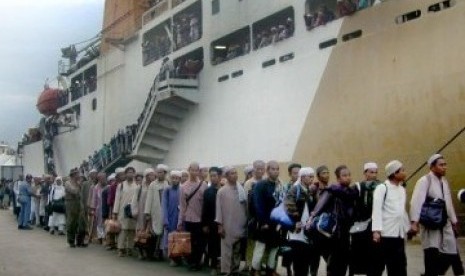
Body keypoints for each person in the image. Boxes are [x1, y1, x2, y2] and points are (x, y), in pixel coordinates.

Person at [410, 154, 463, 276]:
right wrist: (414, 222)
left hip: (445, 223)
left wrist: (454, 221)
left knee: (451, 252)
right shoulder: (424, 181)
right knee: (431, 253)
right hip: (430, 223)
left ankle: (433, 273)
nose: (445, 167)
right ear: (432, 167)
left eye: (445, 164)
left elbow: (448, 203)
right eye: (441, 165)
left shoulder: (444, 182)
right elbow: (416, 202)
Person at [307, 165, 358, 276]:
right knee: (334, 263)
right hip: (334, 232)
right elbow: (319, 206)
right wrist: (312, 218)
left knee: (343, 262)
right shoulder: (331, 191)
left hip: (346, 232)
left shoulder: (351, 191)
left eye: (349, 175)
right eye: (344, 175)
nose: (348, 177)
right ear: (338, 178)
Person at [371, 160, 410, 276]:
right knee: (378, 267)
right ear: (394, 173)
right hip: (385, 234)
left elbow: (402, 212)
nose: (405, 173)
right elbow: (376, 210)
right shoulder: (382, 188)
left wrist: (408, 228)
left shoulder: (402, 189)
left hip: (399, 234)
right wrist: (376, 230)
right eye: (402, 170)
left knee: (399, 267)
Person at [349, 162, 383, 276]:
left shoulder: (381, 186)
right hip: (361, 226)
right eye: (371, 172)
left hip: (376, 225)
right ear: (365, 173)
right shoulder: (358, 186)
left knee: (376, 255)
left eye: (375, 172)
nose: (374, 175)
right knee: (358, 253)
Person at [251, 160, 283, 276]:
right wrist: (263, 222)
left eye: (277, 169)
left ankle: (270, 269)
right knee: (261, 246)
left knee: (274, 247)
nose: (275, 171)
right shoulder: (260, 185)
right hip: (264, 221)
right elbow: (258, 204)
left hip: (276, 222)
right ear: (268, 170)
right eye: (273, 169)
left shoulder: (279, 185)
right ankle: (255, 269)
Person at [285, 167, 317, 276]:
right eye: (310, 176)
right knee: (298, 260)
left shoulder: (309, 190)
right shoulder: (295, 189)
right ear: (303, 177)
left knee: (306, 259)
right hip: (296, 231)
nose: (312, 179)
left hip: (306, 229)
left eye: (313, 176)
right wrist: (295, 221)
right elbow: (288, 205)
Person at [216, 167, 248, 275]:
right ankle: (225, 270)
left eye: (235, 173)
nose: (235, 175)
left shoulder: (241, 189)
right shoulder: (222, 191)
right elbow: (218, 209)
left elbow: (245, 207)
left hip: (240, 223)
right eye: (232, 173)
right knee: (226, 250)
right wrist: (220, 226)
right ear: (226, 176)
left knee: (237, 250)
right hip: (227, 225)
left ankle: (235, 269)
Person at [177, 162, 207, 271]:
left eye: (196, 170)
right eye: (192, 170)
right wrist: (180, 222)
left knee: (200, 243)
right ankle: (191, 262)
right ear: (188, 170)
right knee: (190, 242)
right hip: (189, 219)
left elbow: (205, 204)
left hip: (200, 220)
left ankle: (198, 262)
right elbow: (182, 206)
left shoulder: (204, 185)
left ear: (199, 171)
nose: (194, 172)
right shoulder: (183, 187)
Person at [144, 164, 169, 260]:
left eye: (161, 172)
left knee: (163, 235)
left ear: (165, 173)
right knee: (153, 234)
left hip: (165, 213)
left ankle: (160, 254)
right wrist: (147, 213)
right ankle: (150, 254)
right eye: (157, 173)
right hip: (154, 213)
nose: (159, 174)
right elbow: (149, 200)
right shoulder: (152, 185)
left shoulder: (168, 184)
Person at [309, 165, 330, 275]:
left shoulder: (331, 189)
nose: (326, 175)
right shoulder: (314, 189)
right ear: (318, 176)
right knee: (314, 256)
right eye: (323, 173)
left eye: (327, 173)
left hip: (326, 227)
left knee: (328, 255)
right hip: (314, 228)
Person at [113, 166, 139, 257]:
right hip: (122, 211)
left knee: (132, 230)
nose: (130, 174)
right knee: (123, 230)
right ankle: (120, 248)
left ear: (134, 174)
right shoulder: (121, 185)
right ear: (125, 174)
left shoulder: (137, 186)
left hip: (132, 211)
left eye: (132, 172)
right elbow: (117, 199)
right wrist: (115, 212)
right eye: (128, 172)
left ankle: (130, 248)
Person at [202, 167, 223, 275]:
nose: (213, 178)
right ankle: (213, 266)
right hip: (211, 223)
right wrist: (205, 225)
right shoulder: (207, 192)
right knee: (213, 245)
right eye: (211, 176)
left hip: (224, 223)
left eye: (215, 175)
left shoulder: (224, 190)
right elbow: (205, 209)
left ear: (220, 176)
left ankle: (223, 266)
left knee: (222, 246)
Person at [282, 163, 302, 276]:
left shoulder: (304, 186)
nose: (297, 175)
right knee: (288, 249)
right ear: (290, 174)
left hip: (301, 222)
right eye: (295, 173)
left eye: (299, 173)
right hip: (288, 222)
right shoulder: (286, 187)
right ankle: (289, 270)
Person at [162, 170, 181, 264]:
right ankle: (172, 258)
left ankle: (179, 257)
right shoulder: (167, 190)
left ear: (179, 179)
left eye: (176, 178)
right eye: (173, 178)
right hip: (170, 218)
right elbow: (164, 205)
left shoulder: (182, 190)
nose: (174, 180)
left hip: (180, 218)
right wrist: (165, 219)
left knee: (180, 237)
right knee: (170, 238)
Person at [134, 168, 153, 260]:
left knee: (149, 233)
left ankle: (148, 252)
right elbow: (134, 200)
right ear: (146, 176)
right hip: (141, 213)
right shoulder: (140, 187)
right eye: (150, 175)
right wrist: (135, 211)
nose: (152, 177)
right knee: (140, 232)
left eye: (153, 175)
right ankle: (140, 252)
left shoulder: (154, 186)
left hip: (151, 213)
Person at [65, 168, 85, 247]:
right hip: (70, 203)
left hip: (79, 202)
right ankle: (71, 241)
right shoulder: (68, 183)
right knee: (71, 222)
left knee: (82, 222)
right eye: (77, 174)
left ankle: (80, 241)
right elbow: (74, 191)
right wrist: (78, 185)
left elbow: (80, 194)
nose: (79, 175)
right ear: (73, 175)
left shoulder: (78, 182)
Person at [90, 172, 107, 243]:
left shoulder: (108, 186)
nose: (103, 179)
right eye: (102, 178)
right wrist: (93, 209)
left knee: (106, 223)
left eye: (104, 178)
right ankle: (101, 237)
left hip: (106, 208)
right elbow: (94, 199)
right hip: (99, 209)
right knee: (99, 223)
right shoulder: (96, 187)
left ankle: (106, 237)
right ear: (99, 179)